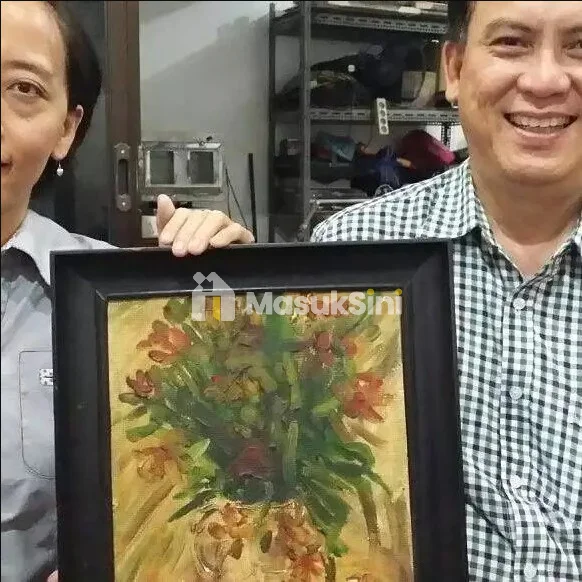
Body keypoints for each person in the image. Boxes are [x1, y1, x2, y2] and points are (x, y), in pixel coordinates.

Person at [312, 1, 581, 580]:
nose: (546, 81)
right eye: (511, 43)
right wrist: (215, 293)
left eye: (580, 47)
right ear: (454, 70)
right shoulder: (351, 257)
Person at [0, 1, 254, 580]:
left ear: (67, 129)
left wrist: (242, 305)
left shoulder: (120, 307)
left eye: (23, 88)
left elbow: (199, 502)